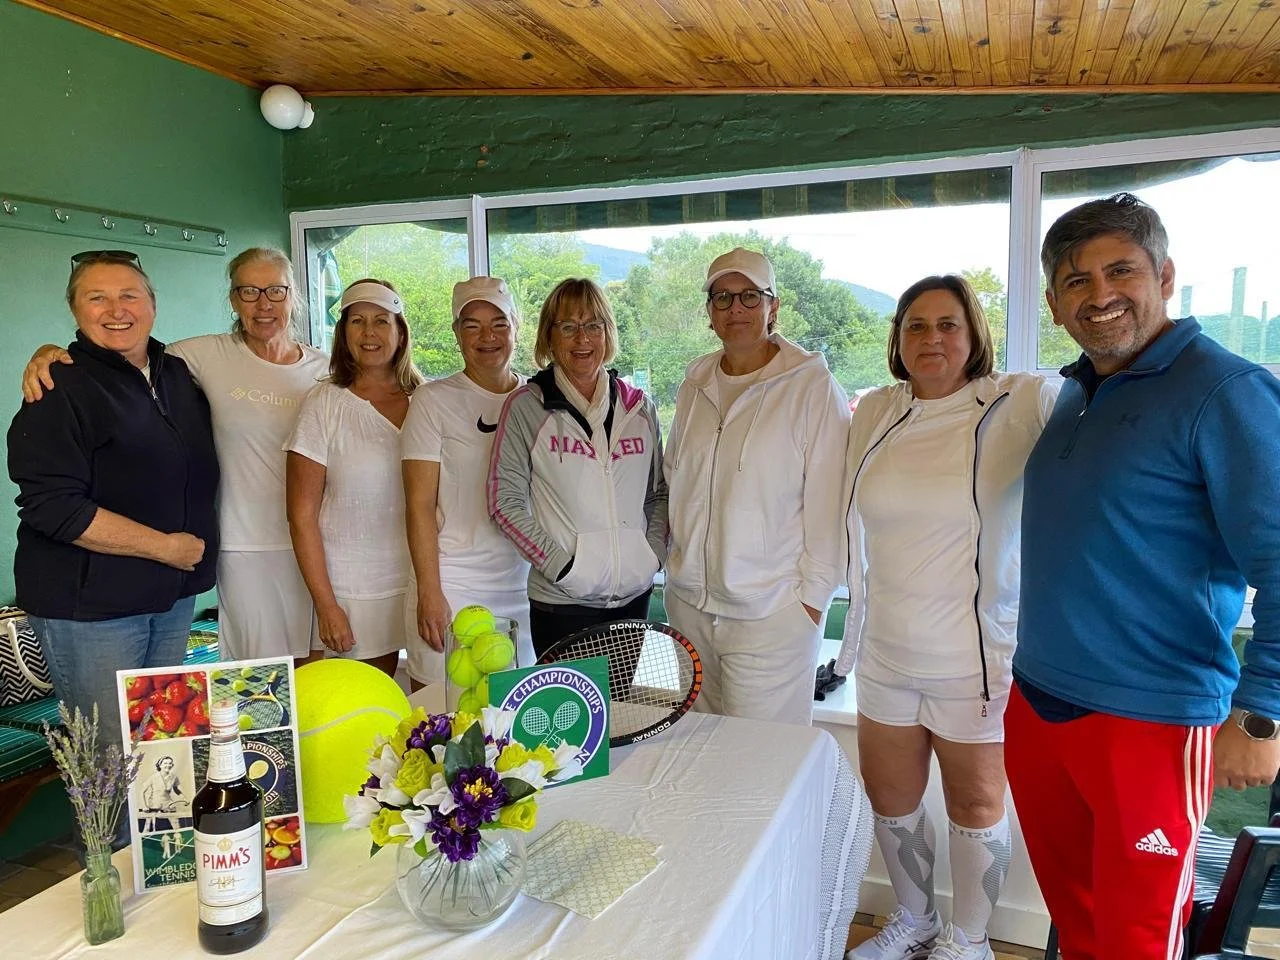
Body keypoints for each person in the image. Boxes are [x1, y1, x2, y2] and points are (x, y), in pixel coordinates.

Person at [1006, 193, 1280, 960]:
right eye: (1074, 280)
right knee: (1077, 916)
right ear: (1056, 304)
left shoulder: (1224, 390)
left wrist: (1261, 713)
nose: (1099, 295)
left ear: (1164, 274)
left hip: (1151, 722)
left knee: (1135, 937)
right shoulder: (1073, 394)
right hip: (1039, 705)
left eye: (1119, 270)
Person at [839, 275, 1057, 960]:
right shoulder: (875, 410)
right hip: (886, 651)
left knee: (976, 804)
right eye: (916, 326)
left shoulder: (1016, 403)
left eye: (948, 324)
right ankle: (915, 921)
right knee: (891, 797)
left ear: (974, 334)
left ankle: (970, 939)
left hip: (976, 657)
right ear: (898, 341)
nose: (931, 339)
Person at [22, 247, 329, 662]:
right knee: (262, 680)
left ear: (295, 296)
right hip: (231, 549)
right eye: (249, 291)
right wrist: (48, 353)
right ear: (233, 299)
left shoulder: (323, 370)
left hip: (297, 547)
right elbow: (52, 503)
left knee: (318, 667)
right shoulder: (196, 357)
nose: (263, 303)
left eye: (276, 290)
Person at [7, 250, 219, 763]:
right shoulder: (59, 386)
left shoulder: (177, 375)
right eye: (95, 297)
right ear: (75, 311)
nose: (115, 309)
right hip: (91, 609)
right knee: (110, 758)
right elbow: (53, 506)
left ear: (152, 304)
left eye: (129, 295)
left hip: (168, 599)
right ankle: (105, 848)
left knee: (159, 750)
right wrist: (165, 548)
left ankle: (148, 848)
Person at [663, 247, 850, 726]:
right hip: (689, 610)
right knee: (698, 751)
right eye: (722, 298)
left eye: (750, 296)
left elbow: (831, 504)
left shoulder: (811, 386)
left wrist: (810, 604)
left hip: (770, 616)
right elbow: (675, 477)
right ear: (709, 313)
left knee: (763, 767)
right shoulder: (694, 385)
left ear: (774, 307)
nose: (736, 309)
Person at [488, 277, 667, 656]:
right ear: (549, 337)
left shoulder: (640, 408)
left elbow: (659, 494)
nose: (582, 339)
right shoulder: (527, 406)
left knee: (620, 713)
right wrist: (564, 568)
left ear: (608, 333)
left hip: (633, 597)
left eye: (593, 325)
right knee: (568, 715)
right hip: (561, 601)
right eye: (568, 326)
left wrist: (649, 557)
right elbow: (505, 503)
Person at [286, 279, 423, 676]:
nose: (369, 333)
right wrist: (327, 605)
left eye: (381, 321)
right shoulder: (323, 404)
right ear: (343, 334)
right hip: (355, 589)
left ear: (400, 332)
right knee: (367, 704)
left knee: (430, 706)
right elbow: (301, 515)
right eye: (357, 321)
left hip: (423, 581)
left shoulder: (429, 401)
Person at [402, 277, 533, 687]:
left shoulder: (539, 398)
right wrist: (429, 592)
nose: (487, 336)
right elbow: (419, 504)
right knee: (444, 719)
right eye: (471, 325)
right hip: (453, 581)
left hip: (525, 586)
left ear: (515, 327)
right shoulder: (432, 401)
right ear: (457, 334)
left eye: (499, 323)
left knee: (515, 722)